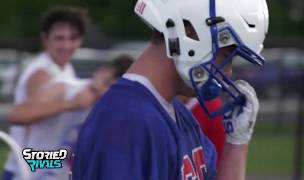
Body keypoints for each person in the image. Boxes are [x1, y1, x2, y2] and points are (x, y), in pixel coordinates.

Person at [73, 0, 269, 179]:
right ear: (190, 33)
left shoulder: (177, 114)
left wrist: (237, 143)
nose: (228, 71)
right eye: (226, 54)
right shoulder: (128, 120)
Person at [2, 6, 104, 180]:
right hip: (28, 167)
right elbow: (21, 115)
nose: (66, 45)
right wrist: (75, 103)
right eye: (59, 38)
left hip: (39, 163)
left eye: (73, 38)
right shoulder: (42, 72)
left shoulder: (65, 69)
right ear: (45, 39)